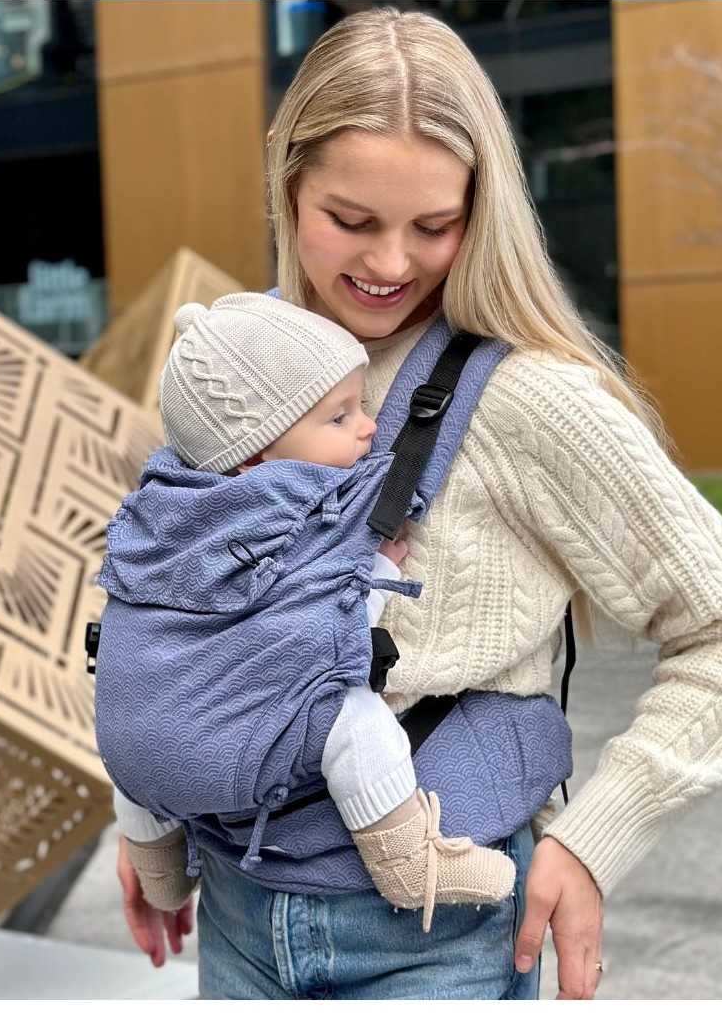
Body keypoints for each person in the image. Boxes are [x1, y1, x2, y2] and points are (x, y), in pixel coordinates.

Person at [116, 5, 722, 999]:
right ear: (285, 182)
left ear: (482, 212)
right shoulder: (239, 372)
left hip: (438, 935)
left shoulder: (532, 401)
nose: (389, 263)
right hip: (237, 907)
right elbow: (185, 623)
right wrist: (150, 836)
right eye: (349, 220)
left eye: (433, 226)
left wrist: (593, 842)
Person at [105, 292, 518, 934]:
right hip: (248, 752)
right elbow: (330, 618)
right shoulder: (304, 503)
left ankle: (159, 869)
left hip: (133, 753)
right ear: (256, 455)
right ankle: (411, 863)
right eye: (340, 417)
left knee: (135, 708)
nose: (370, 426)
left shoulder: (160, 507)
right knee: (349, 716)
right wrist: (380, 570)